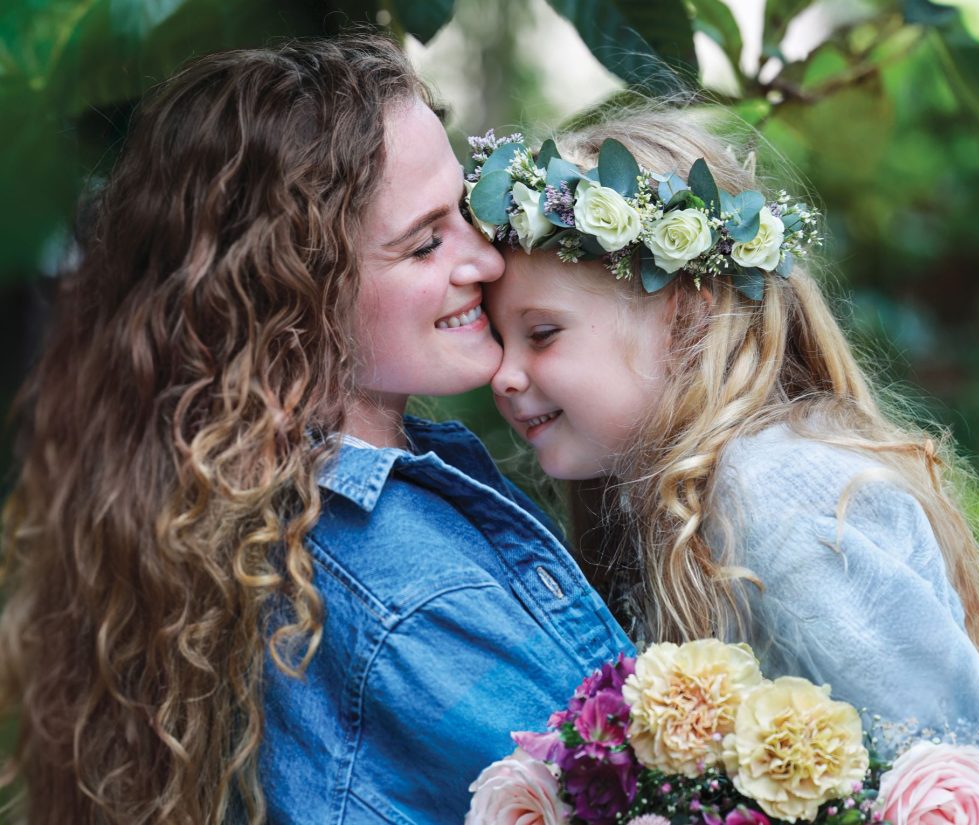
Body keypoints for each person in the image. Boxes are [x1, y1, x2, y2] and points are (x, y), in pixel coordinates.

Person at [0, 36, 632, 824]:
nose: (488, 259)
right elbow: (653, 796)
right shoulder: (406, 589)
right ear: (293, 294)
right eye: (427, 241)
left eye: (466, 211)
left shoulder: (221, 508)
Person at [475, 107, 979, 798]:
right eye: (498, 338)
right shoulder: (663, 501)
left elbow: (939, 775)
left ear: (687, 315)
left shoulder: (773, 490)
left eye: (543, 333)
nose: (503, 374)